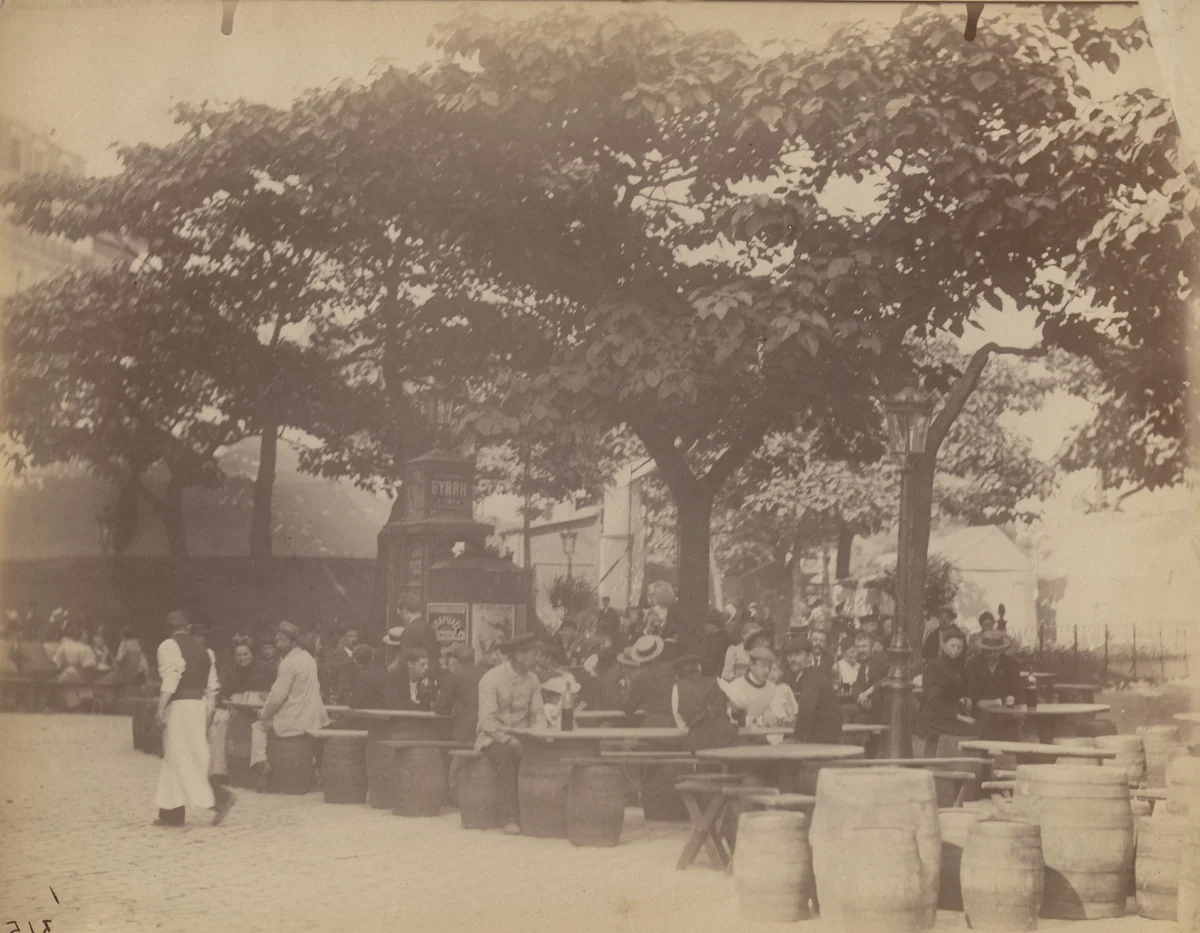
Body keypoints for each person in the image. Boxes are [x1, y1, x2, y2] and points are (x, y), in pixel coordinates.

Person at [153, 610, 235, 827]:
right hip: (198, 706)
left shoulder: (168, 646)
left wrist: (160, 708)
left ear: (168, 630)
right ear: (188, 628)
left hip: (180, 706)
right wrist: (207, 713)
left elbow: (171, 677)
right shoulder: (206, 652)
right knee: (181, 756)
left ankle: (218, 799)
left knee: (181, 757)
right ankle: (171, 813)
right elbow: (211, 687)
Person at [476, 633, 544, 835]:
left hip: (523, 736)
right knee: (506, 755)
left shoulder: (533, 680)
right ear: (519, 654)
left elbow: (538, 714)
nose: (538, 658)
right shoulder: (491, 679)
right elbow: (487, 721)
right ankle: (510, 818)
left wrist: (537, 736)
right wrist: (509, 739)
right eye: (534, 653)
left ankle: (537, 814)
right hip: (493, 737)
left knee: (543, 755)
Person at [258, 621, 330, 790]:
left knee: (258, 726)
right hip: (312, 717)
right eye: (276, 640)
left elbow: (277, 696)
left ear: (293, 642)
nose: (277, 644)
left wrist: (264, 713)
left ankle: (263, 764)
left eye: (281, 640)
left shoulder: (289, 663)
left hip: (294, 718)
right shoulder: (308, 658)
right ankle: (312, 770)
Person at [208, 635, 273, 785]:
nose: (242, 658)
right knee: (220, 719)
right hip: (236, 706)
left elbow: (274, 691)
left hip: (258, 707)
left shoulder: (265, 668)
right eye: (238, 655)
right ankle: (218, 771)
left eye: (245, 654)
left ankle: (259, 768)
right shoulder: (229, 670)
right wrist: (230, 705)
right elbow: (223, 695)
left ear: (252, 654)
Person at [916, 624, 976, 756]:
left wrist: (966, 699)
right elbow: (934, 700)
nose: (956, 650)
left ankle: (958, 763)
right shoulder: (933, 667)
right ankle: (938, 761)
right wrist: (959, 716)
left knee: (976, 728)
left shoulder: (960, 667)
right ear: (943, 645)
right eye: (952, 646)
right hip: (935, 715)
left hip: (952, 713)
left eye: (959, 647)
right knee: (970, 729)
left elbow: (961, 691)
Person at [671, 653, 738, 751]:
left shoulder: (677, 688)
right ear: (699, 667)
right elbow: (738, 701)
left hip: (698, 739)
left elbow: (679, 720)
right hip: (725, 735)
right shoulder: (718, 681)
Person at [965, 629, 1022, 738]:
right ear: (982, 649)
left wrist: (998, 701)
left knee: (1008, 728)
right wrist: (981, 703)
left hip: (1006, 713)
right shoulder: (972, 664)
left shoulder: (1011, 665)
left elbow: (1018, 695)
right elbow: (971, 692)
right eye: (987, 651)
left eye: (995, 651)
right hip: (981, 713)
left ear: (1002, 649)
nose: (991, 655)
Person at [787, 639, 844, 746]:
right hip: (825, 736)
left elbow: (806, 709)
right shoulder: (811, 674)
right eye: (790, 655)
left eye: (798, 654)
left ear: (809, 657)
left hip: (823, 740)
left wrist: (797, 737)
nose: (793, 659)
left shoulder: (812, 678)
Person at [720, 645, 781, 726]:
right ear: (751, 664)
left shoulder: (774, 689)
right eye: (763, 666)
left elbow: (778, 716)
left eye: (769, 667)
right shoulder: (735, 687)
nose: (767, 671)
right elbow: (729, 719)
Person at [623, 635, 677, 727]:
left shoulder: (640, 676)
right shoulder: (674, 669)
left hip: (655, 726)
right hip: (680, 723)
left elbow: (628, 707)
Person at [53, 620, 97, 711]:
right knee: (82, 684)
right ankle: (83, 701)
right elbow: (89, 665)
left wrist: (60, 667)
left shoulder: (64, 645)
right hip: (80, 674)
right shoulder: (85, 647)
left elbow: (56, 661)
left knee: (65, 683)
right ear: (81, 636)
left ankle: (72, 704)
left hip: (67, 673)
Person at [343, 643, 387, 710]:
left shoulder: (361, 677)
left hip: (368, 715)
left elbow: (353, 703)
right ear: (372, 657)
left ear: (356, 661)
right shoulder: (382, 671)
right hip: (382, 712)